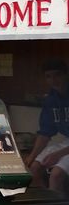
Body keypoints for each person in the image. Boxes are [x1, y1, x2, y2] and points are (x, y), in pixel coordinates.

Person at [24, 59, 69, 192]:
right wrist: (31, 157)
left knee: (56, 174)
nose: (53, 80)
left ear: (66, 75)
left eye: (57, 75)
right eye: (48, 76)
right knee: (34, 168)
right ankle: (47, 202)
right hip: (67, 142)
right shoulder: (51, 99)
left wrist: (57, 155)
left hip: (66, 147)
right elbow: (45, 133)